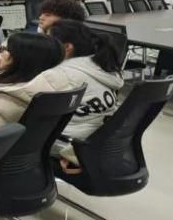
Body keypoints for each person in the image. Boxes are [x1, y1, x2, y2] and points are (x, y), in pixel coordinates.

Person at [46, 20, 124, 165]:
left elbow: (24, 98)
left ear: (67, 47)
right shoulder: (100, 67)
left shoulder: (63, 74)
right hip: (96, 143)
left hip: (67, 144)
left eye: (48, 41)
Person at [0, 32, 69, 130]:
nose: (1, 53)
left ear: (19, 58)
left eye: (5, 49)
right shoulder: (51, 86)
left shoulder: (6, 98)